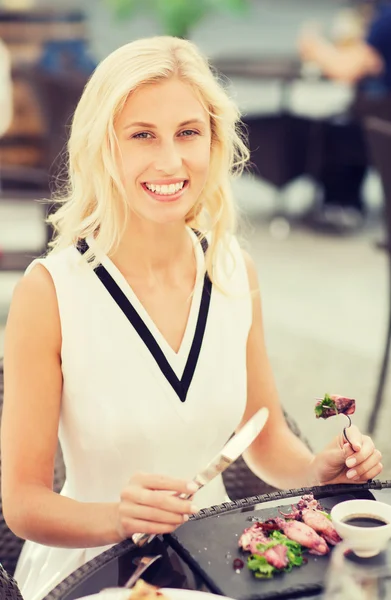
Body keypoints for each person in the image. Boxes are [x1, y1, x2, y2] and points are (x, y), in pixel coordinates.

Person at [1, 36, 383, 600]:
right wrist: (117, 517)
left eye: (188, 133)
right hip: (94, 571)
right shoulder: (51, 291)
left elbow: (266, 438)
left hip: (217, 558)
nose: (170, 161)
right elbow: (24, 505)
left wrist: (316, 472)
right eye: (142, 136)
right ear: (104, 147)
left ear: (213, 141)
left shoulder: (234, 270)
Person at [299, 3, 391, 231]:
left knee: (338, 129)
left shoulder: (386, 17)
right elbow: (372, 62)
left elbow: (346, 69)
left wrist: (314, 46)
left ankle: (341, 210)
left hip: (381, 122)